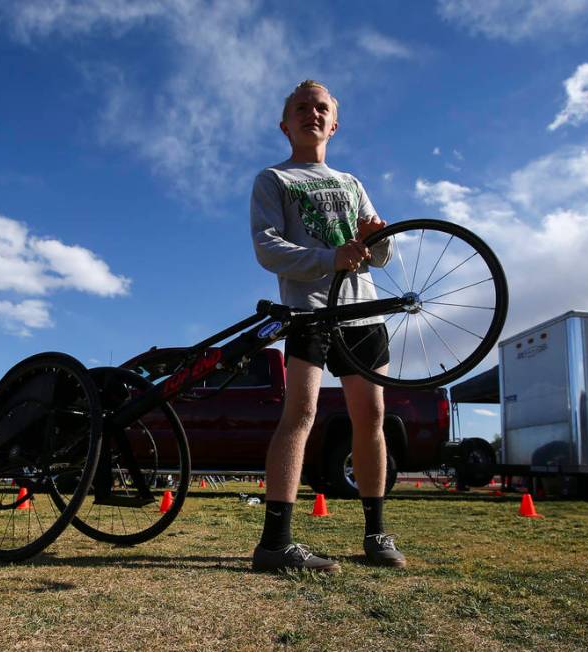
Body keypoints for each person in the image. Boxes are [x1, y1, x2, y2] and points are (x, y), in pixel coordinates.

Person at [249, 80, 403, 573]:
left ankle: (377, 534)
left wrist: (377, 239)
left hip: (361, 312)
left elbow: (379, 255)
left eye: (321, 109)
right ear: (285, 124)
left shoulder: (352, 182)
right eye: (301, 108)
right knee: (300, 414)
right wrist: (328, 257)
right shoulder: (274, 178)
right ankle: (275, 543)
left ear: (333, 123)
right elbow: (267, 248)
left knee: (371, 418)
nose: (311, 114)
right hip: (310, 311)